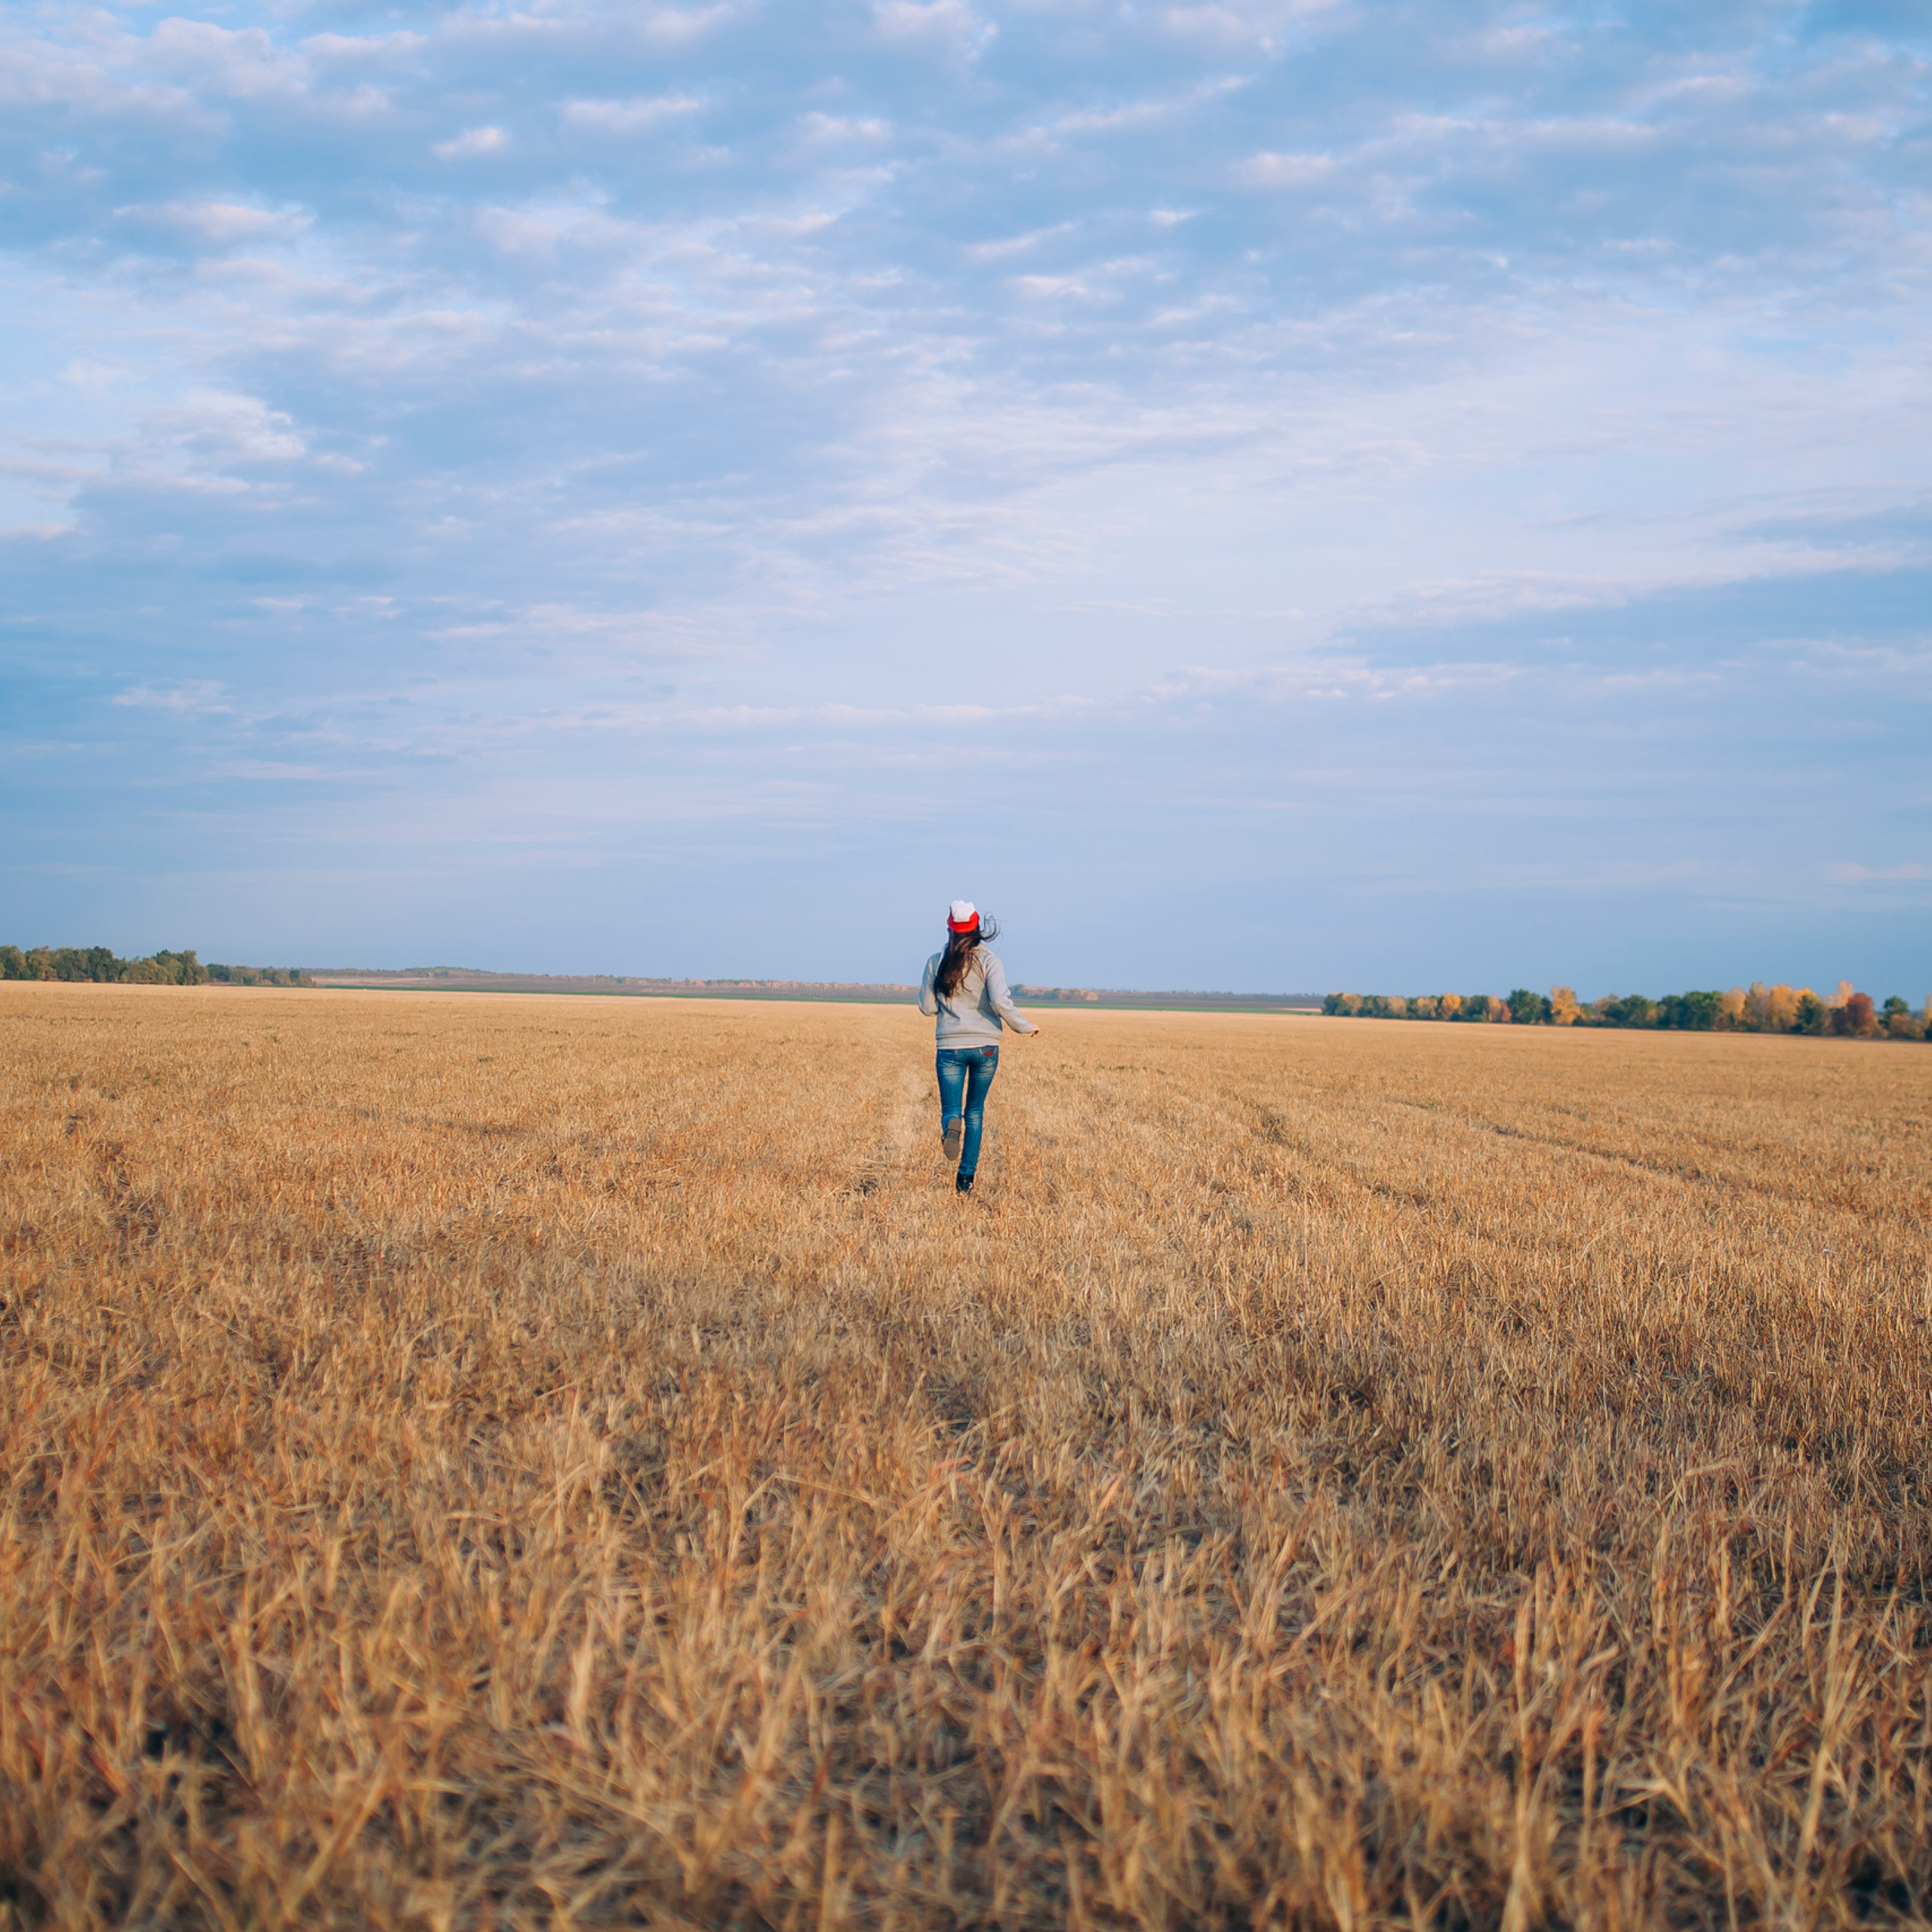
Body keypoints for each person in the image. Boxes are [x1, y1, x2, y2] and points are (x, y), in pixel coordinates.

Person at [918, 900, 1039, 1195]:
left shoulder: (936, 961)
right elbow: (1000, 1002)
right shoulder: (990, 962)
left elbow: (927, 1007)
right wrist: (1025, 1026)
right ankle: (965, 1182)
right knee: (975, 1112)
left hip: (949, 1046)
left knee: (952, 1109)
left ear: (949, 929)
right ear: (977, 929)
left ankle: (951, 1124)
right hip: (985, 1047)